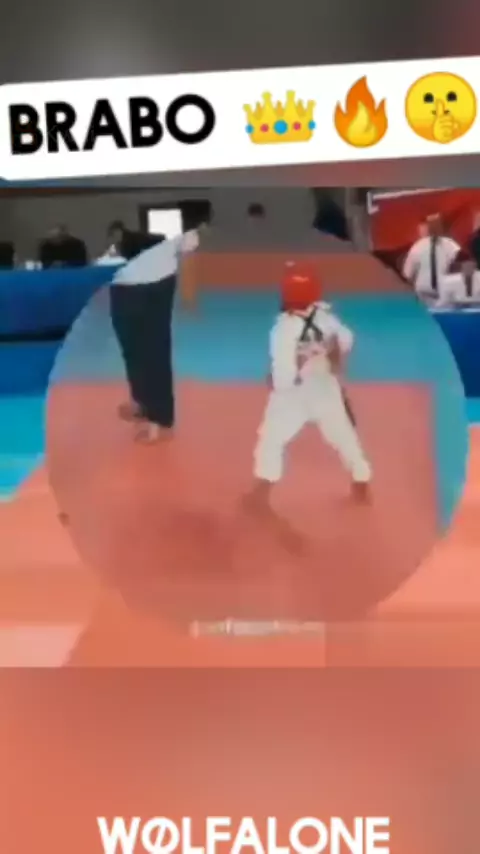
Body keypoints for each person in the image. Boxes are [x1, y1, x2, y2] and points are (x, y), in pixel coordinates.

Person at [246, 262, 372, 510]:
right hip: (325, 387)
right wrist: (330, 352)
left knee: (271, 439)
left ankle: (262, 492)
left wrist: (275, 380)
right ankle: (361, 483)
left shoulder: (284, 328)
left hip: (294, 394)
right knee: (344, 437)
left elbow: (283, 375)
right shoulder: (326, 318)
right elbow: (347, 339)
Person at [109, 218, 207, 444]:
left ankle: (159, 419)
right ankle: (143, 404)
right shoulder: (142, 242)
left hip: (150, 286)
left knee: (152, 350)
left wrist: (189, 293)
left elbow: (189, 248)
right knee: (134, 349)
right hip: (129, 287)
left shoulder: (171, 233)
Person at [402, 214, 461, 302]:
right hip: (436, 293)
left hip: (434, 293)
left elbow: (407, 274)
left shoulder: (418, 247)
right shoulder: (451, 245)